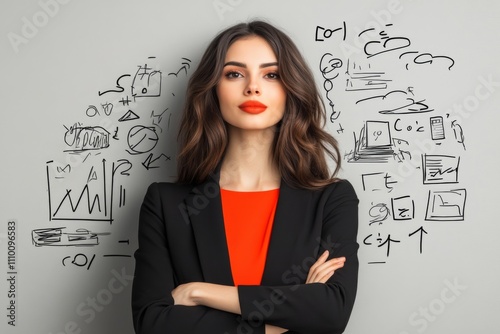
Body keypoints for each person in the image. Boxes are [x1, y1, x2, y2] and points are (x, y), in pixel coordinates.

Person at [132, 20, 359, 334]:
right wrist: (276, 325)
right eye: (234, 73)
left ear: (291, 88)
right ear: (213, 89)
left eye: (271, 74)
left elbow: (330, 312)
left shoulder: (332, 198)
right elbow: (153, 324)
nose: (253, 87)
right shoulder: (166, 203)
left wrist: (199, 291)